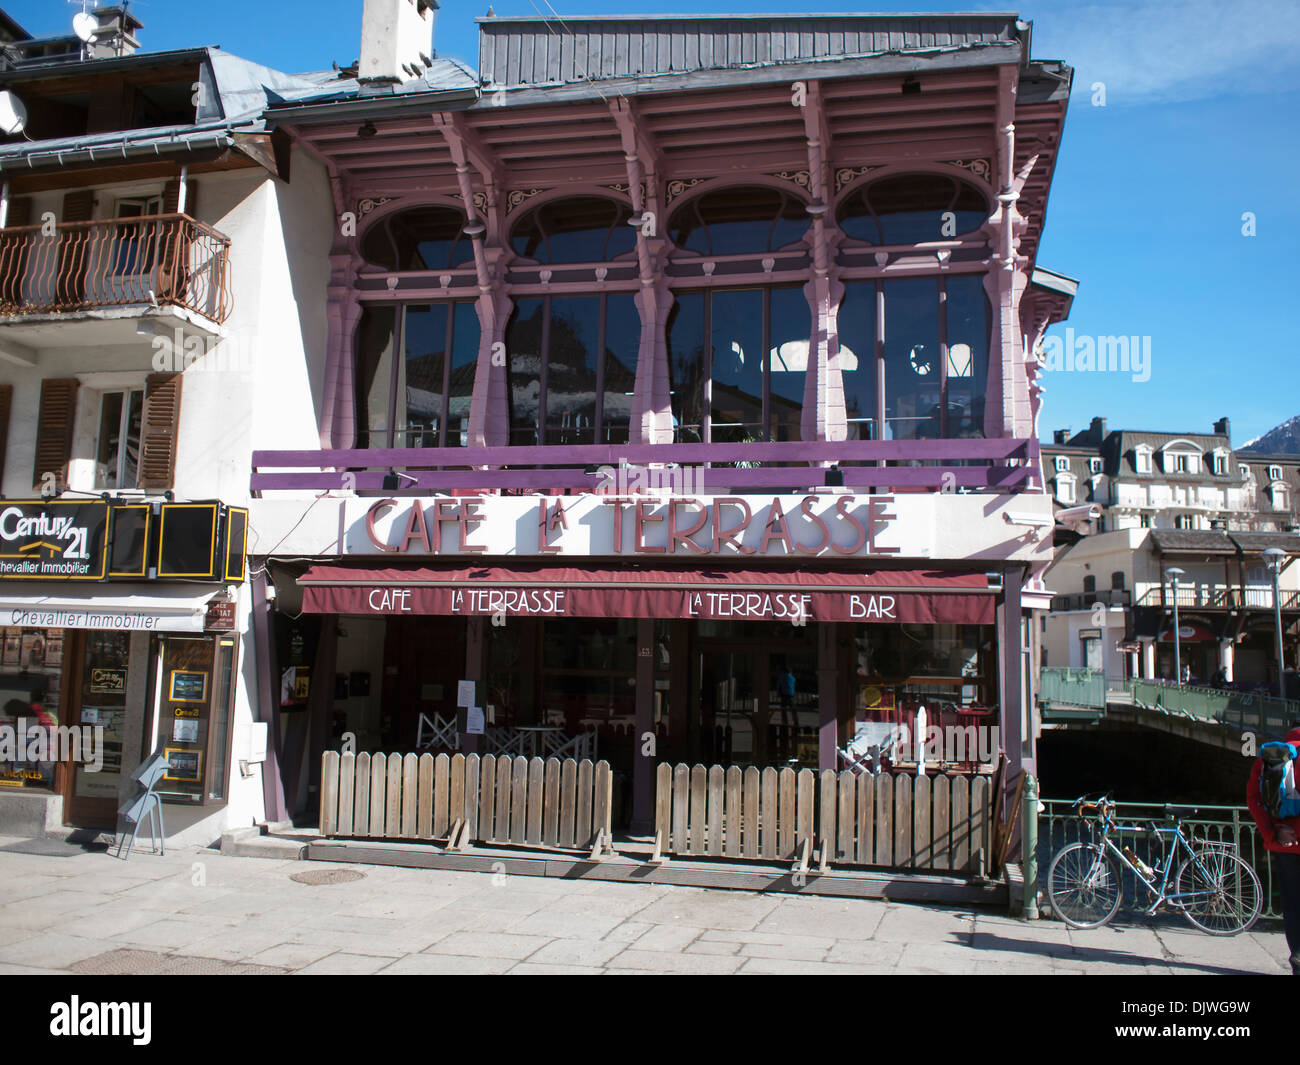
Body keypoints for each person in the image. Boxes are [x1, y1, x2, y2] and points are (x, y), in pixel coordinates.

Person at [1248, 726, 1300, 975]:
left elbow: (1254, 799)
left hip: (1285, 844)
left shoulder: (1271, 755)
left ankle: (1298, 959)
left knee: (1292, 905)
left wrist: (1273, 831)